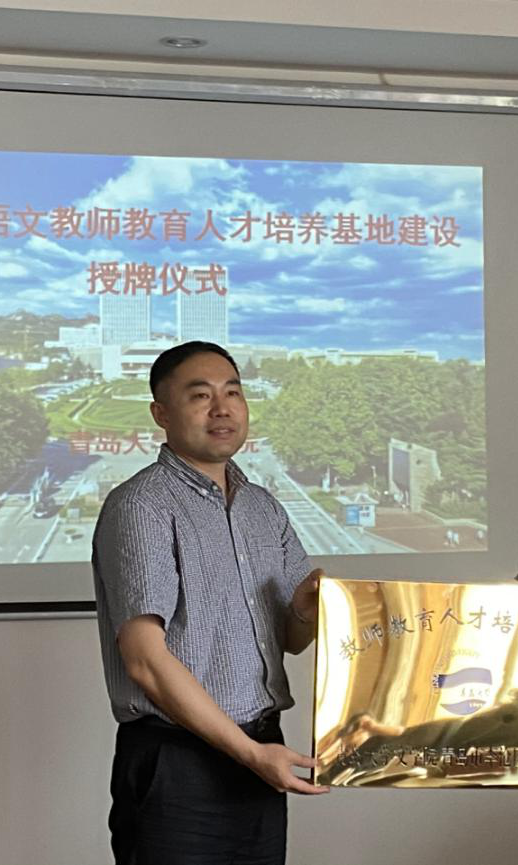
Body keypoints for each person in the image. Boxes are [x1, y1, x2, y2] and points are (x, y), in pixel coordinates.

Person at [92, 341, 327, 865]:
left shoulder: (263, 507)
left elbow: (290, 639)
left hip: (261, 752)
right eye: (200, 396)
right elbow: (144, 661)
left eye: (233, 393)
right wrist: (250, 754)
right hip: (178, 766)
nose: (222, 409)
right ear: (161, 413)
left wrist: (307, 610)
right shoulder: (141, 506)